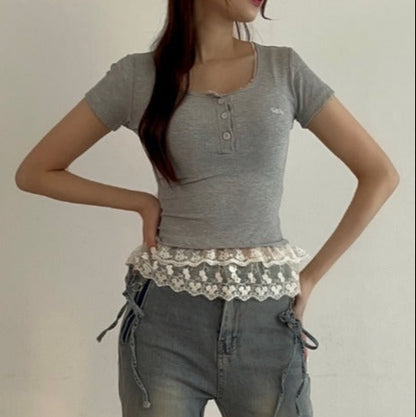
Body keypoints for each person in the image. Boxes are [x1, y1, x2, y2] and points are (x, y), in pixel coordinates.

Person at [15, 0, 400, 416]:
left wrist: (308, 279)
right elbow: (36, 171)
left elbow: (380, 174)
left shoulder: (284, 69)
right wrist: (140, 202)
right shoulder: (136, 76)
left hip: (267, 321)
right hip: (164, 325)